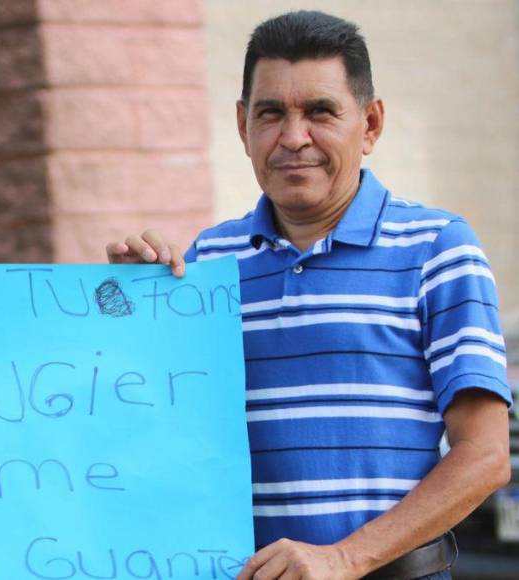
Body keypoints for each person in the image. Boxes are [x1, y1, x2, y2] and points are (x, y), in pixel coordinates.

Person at [108, 11, 511, 580]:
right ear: (243, 124)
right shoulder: (205, 267)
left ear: (370, 124)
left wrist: (343, 559)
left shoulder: (438, 248)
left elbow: (486, 456)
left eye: (320, 112)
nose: (293, 138)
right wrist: (118, 311)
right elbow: (151, 426)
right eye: (271, 114)